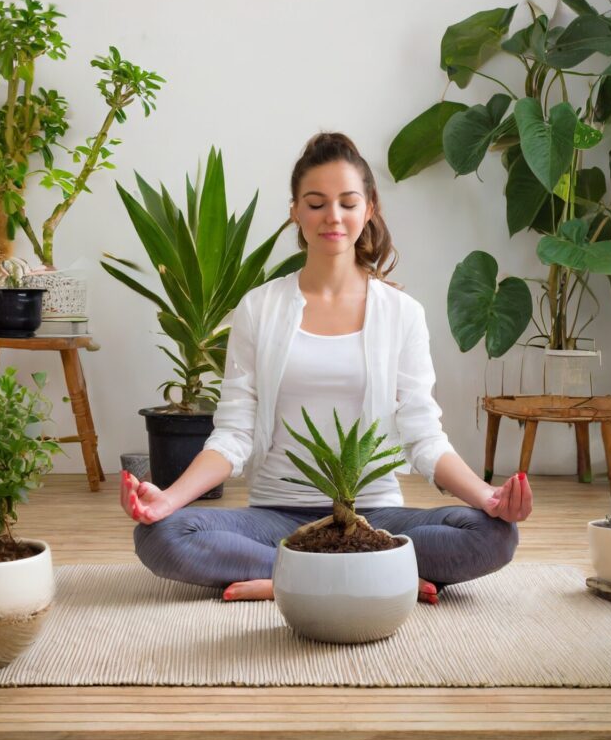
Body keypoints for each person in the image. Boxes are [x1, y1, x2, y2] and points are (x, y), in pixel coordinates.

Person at [120, 132, 533, 604]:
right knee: (160, 535)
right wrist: (168, 499)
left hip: (373, 517)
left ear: (369, 208)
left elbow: (423, 434)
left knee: (495, 535)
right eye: (315, 203)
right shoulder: (259, 308)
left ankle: (297, 578)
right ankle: (374, 575)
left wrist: (488, 498)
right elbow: (233, 433)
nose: (332, 217)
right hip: (277, 518)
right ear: (295, 210)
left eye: (347, 202)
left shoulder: (402, 313)